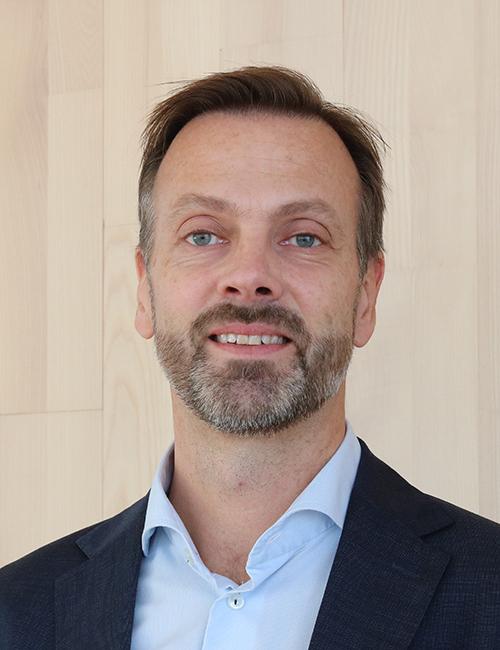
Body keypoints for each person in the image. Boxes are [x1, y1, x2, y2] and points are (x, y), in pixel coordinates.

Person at [0, 65, 499, 650]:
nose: (249, 276)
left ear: (366, 294)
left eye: (304, 237)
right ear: (145, 290)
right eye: (203, 234)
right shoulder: (16, 613)